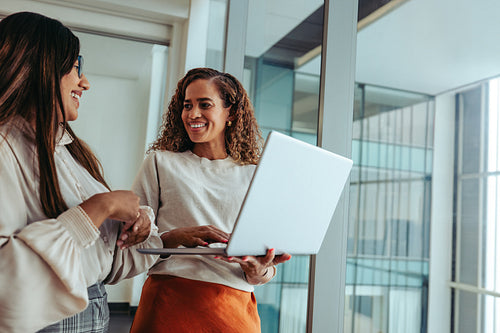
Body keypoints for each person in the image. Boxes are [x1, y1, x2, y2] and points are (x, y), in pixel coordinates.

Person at [0, 12, 162, 333]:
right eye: (76, 68)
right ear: (40, 69)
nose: (85, 82)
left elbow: (102, 265)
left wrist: (143, 234)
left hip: (94, 313)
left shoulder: (71, 151)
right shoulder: (4, 147)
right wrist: (99, 208)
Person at [130, 67, 292, 332]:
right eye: (187, 105)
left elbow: (265, 270)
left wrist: (257, 269)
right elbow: (132, 242)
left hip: (234, 308)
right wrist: (176, 237)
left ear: (232, 112)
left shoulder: (255, 175)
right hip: (169, 301)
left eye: (205, 105)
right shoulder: (161, 162)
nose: (193, 114)